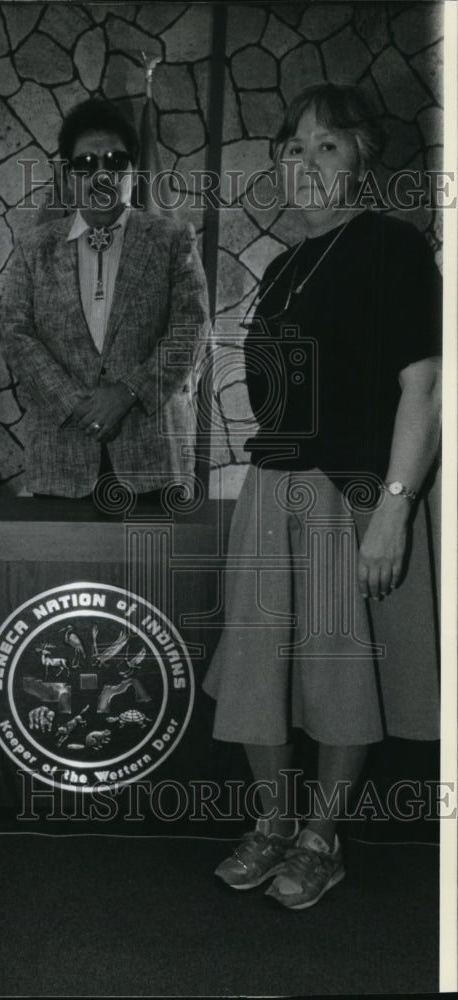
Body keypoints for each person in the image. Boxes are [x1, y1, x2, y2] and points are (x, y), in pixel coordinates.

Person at [203, 83, 441, 908]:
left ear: (362, 160)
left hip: (351, 497)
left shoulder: (392, 248)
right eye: (293, 148)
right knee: (255, 672)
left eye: (327, 146)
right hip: (272, 490)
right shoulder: (281, 265)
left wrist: (396, 509)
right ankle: (272, 822)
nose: (305, 163)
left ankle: (319, 838)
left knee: (344, 675)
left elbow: (426, 388)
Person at [1, 98, 210, 503]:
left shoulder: (172, 239)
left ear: (132, 172)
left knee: (151, 568)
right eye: (86, 163)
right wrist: (76, 404)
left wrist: (127, 393)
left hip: (151, 460)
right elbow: (15, 332)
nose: (101, 174)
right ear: (67, 175)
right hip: (61, 459)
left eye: (115, 161)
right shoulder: (33, 247)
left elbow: (191, 328)